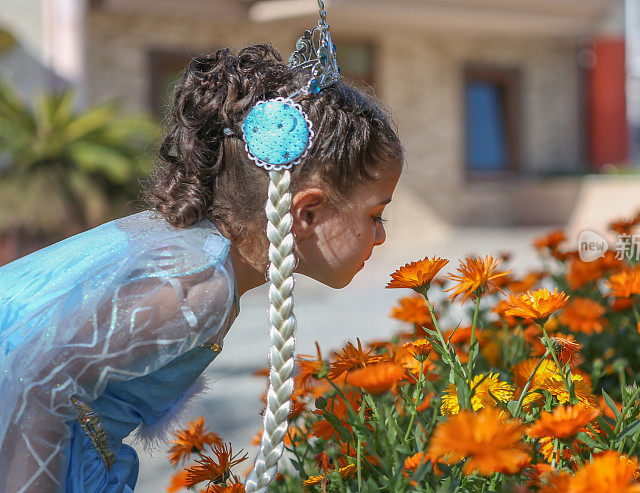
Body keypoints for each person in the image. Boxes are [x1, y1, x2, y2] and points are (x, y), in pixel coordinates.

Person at [0, 37, 404, 492]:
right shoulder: (198, 288)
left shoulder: (191, 249)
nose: (381, 235)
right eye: (376, 214)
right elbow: (37, 380)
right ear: (306, 213)